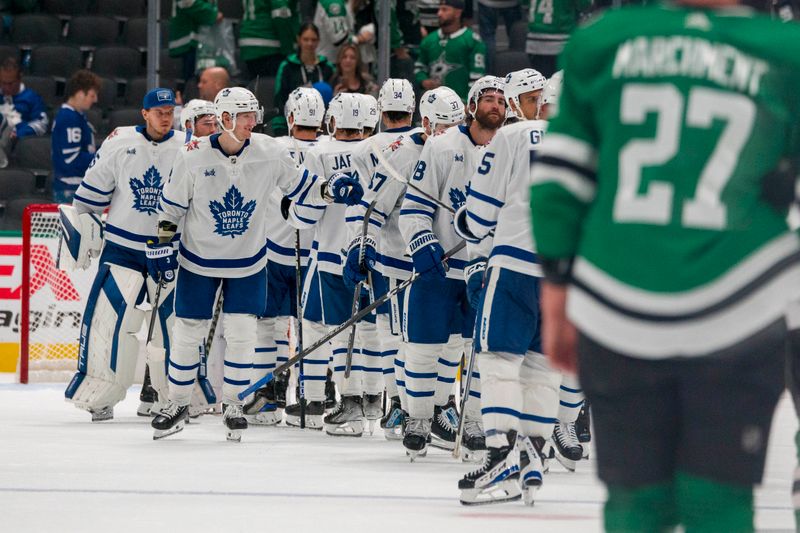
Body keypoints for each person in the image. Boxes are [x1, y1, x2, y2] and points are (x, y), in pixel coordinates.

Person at [529, 3, 800, 530]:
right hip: (739, 305)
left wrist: (558, 290)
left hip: (617, 298)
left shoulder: (601, 41)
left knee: (634, 505)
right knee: (720, 505)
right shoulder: (784, 53)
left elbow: (560, 181)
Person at [151, 87, 362, 441]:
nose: (253, 122)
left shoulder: (269, 151)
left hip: (248, 261)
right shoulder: (192, 156)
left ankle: (234, 403)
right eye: (245, 116)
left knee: (242, 333)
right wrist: (160, 246)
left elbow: (302, 186)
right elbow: (171, 208)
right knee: (188, 332)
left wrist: (331, 189)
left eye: (253, 114)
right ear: (225, 119)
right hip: (198, 260)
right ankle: (176, 403)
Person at [452, 68, 555, 506]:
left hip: (515, 262)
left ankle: (501, 456)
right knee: (542, 366)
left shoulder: (515, 137)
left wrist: (465, 223)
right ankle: (534, 455)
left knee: (498, 359)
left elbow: (479, 215)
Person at [345, 84, 464, 440]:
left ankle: (443, 405)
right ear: (425, 122)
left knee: (452, 340)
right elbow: (372, 206)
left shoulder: (462, 150)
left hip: (447, 262)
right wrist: (361, 244)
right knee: (406, 340)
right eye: (443, 126)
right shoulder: (402, 153)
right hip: (401, 262)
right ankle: (404, 405)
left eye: (455, 125)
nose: (449, 133)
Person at [398, 75, 505, 460]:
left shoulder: (508, 152)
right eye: (488, 99)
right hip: (442, 269)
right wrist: (423, 245)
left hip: (485, 272)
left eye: (501, 101)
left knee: (480, 351)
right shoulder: (443, 146)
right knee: (425, 347)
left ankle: (473, 420)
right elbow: (414, 207)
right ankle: (419, 419)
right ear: (472, 106)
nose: (496, 105)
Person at [62, 89, 184, 422]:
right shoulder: (119, 143)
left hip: (168, 249)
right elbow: (87, 198)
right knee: (109, 322)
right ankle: (100, 394)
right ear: (144, 113)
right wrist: (81, 232)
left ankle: (169, 398)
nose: (165, 117)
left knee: (169, 329)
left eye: (169, 111)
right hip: (122, 248)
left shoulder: (187, 148)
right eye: (158, 111)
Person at [282, 93, 368, 435]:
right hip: (369, 257)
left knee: (316, 328)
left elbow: (307, 212)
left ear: (332, 121)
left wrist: (289, 212)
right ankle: (372, 399)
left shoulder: (320, 153)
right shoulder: (374, 148)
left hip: (330, 255)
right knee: (365, 334)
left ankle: (318, 398)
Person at [244, 87, 324, 426]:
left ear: (290, 117)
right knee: (314, 327)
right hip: (318, 256)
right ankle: (316, 394)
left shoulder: (271, 147)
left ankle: (270, 393)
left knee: (269, 325)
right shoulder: (330, 149)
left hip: (274, 252)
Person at [414, 0, 486, 102]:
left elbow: (477, 76)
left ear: (457, 13)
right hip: (432, 104)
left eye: (444, 10)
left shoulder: (473, 41)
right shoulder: (429, 40)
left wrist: (470, 102)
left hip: (462, 104)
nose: (439, 13)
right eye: (439, 9)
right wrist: (423, 80)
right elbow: (419, 67)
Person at [272, 23, 336, 137]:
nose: (310, 43)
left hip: (321, 125)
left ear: (318, 41)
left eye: (313, 40)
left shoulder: (327, 67)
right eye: (306, 39)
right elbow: (279, 98)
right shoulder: (287, 66)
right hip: (292, 124)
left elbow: (334, 96)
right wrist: (282, 125)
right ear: (298, 39)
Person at [51, 70, 101, 204]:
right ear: (80, 94)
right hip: (71, 189)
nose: (95, 99)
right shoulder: (69, 118)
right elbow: (71, 160)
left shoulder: (75, 116)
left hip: (74, 188)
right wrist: (104, 157)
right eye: (92, 94)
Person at [0, 57, 47, 168]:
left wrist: (19, 133)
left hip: (20, 145)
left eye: (10, 83)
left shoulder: (32, 98)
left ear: (20, 78)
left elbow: (41, 124)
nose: (6, 87)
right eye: (2, 83)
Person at [525, 0, 589, 77]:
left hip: (534, 42)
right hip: (561, 41)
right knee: (560, 83)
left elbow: (524, 4)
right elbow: (586, 6)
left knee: (540, 83)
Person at [239, 0, 300, 78]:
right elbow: (281, 13)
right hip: (269, 45)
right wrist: (289, 51)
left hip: (250, 44)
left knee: (258, 86)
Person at [168, 0, 223, 81]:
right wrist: (212, 14)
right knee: (194, 82)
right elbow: (187, 2)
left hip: (199, 41)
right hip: (189, 41)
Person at [477, 0, 521, 74]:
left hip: (486, 3)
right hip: (512, 3)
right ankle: (517, 70)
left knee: (488, 38)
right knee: (516, 38)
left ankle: (490, 72)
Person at [314, 0, 354, 67]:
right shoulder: (332, 2)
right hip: (330, 64)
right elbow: (339, 38)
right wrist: (360, 38)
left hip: (330, 60)